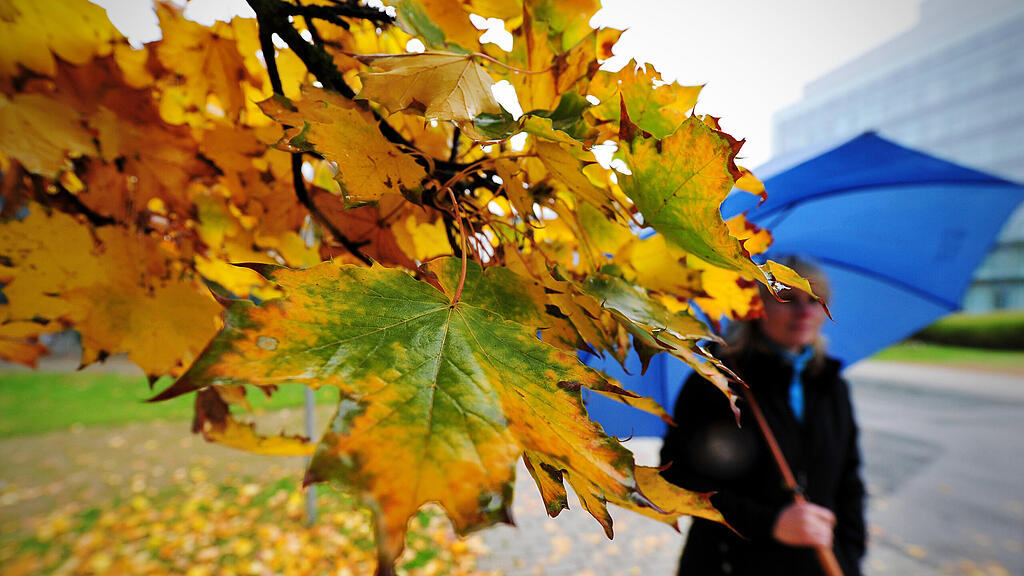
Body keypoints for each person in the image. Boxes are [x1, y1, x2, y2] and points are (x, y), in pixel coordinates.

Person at [660, 257, 866, 576]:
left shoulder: (832, 386)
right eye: (787, 299)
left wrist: (850, 557)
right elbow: (678, 476)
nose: (804, 312)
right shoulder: (716, 378)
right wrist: (770, 523)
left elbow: (849, 482)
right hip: (726, 564)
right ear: (754, 308)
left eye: (814, 300)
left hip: (821, 565)